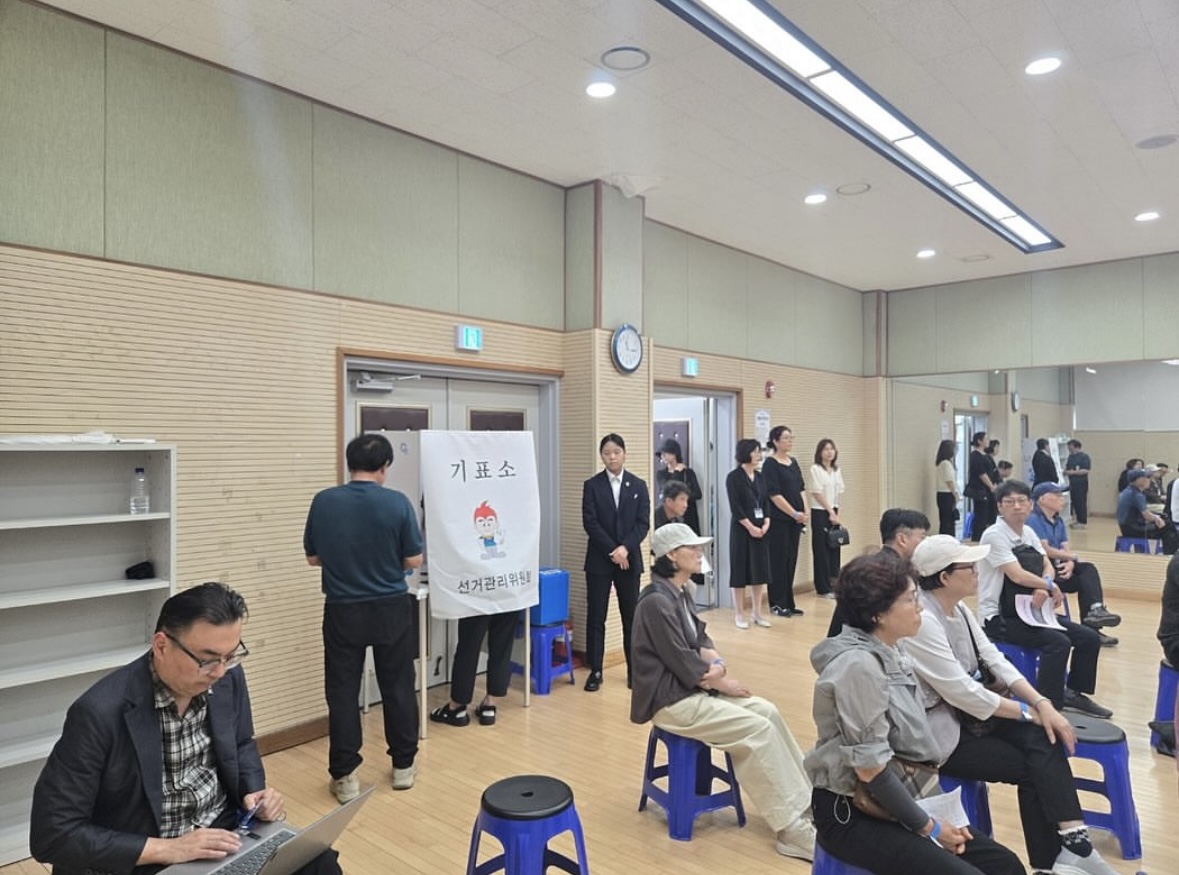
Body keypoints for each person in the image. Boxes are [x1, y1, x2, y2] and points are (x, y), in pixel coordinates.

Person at [30, 583, 342, 875]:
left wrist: (253, 793)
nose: (220, 672)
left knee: (319, 862)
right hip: (148, 851)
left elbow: (241, 743)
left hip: (222, 833)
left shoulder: (227, 677)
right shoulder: (99, 713)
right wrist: (170, 849)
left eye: (230, 656)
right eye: (207, 660)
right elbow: (53, 835)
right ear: (161, 645)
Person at [908, 537, 1122, 875]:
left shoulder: (959, 609)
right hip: (943, 734)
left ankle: (1073, 844)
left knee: (1045, 735)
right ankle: (1061, 859)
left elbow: (993, 659)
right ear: (945, 577)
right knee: (1035, 764)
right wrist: (1027, 711)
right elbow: (962, 691)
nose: (977, 571)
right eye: (968, 566)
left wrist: (1041, 703)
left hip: (971, 717)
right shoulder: (923, 621)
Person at [805, 551, 1024, 875]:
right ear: (878, 614)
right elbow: (870, 770)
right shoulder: (859, 666)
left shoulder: (891, 647)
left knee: (1005, 865)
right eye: (910, 599)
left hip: (899, 792)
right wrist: (931, 827)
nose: (920, 607)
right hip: (854, 810)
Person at [630, 523, 816, 861]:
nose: (700, 552)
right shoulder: (655, 602)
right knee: (756, 729)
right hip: (670, 700)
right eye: (693, 547)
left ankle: (807, 801)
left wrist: (716, 662)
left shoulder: (680, 592)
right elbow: (682, 660)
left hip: (690, 689)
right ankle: (790, 828)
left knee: (767, 711)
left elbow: (700, 639)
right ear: (672, 555)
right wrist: (718, 680)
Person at [304, 433, 424, 800]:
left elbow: (312, 557)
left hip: (342, 608)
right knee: (398, 686)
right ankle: (403, 766)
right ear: (384, 467)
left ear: (349, 463)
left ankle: (345, 777)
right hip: (391, 607)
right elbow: (413, 559)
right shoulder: (397, 503)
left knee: (342, 691)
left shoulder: (324, 501)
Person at [977, 480, 1111, 718]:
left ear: (1030, 505)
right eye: (1009, 502)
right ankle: (1049, 706)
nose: (1016, 506)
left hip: (1032, 611)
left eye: (1022, 501)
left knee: (1088, 637)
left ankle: (1073, 693)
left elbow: (1046, 563)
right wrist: (1047, 585)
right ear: (1000, 507)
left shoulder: (1028, 532)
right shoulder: (993, 535)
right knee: (1058, 642)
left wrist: (1045, 584)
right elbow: (1016, 574)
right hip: (1000, 617)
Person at [581, 432, 650, 692]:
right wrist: (613, 550)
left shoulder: (638, 485)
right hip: (600, 559)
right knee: (596, 616)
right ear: (601, 456)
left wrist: (625, 548)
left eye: (616, 452)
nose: (612, 457)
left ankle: (634, 670)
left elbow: (643, 523)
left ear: (624, 454)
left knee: (630, 616)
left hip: (628, 560)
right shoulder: (592, 485)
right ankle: (596, 671)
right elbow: (590, 522)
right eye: (607, 453)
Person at [1026, 482, 1120, 645]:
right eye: (1056, 495)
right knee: (1083, 573)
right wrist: (1073, 557)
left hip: (1059, 568)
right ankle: (1092, 621)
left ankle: (1095, 615)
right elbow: (1046, 550)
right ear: (1041, 499)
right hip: (1042, 573)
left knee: (1087, 572)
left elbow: (1065, 547)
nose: (1061, 499)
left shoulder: (1058, 521)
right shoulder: (1033, 520)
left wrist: (1070, 562)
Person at [826, 508, 930, 637]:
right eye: (922, 537)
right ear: (902, 539)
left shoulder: (874, 566)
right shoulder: (890, 575)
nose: (926, 544)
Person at [429, 607, 522, 728]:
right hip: (509, 597)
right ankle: (490, 705)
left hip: (476, 599)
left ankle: (456, 708)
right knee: (502, 647)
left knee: (468, 646)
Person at [726, 437, 773, 628]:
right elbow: (735, 506)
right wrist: (750, 527)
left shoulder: (760, 477)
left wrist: (766, 522)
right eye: (755, 451)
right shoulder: (733, 477)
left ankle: (757, 612)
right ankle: (739, 613)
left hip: (761, 529)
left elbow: (766, 502)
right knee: (739, 570)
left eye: (759, 451)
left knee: (759, 571)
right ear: (745, 453)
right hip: (742, 529)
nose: (758, 455)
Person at [762, 425, 808, 617]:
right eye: (786, 438)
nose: (790, 441)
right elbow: (774, 494)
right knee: (778, 561)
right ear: (775, 441)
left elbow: (801, 488)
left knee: (790, 560)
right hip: (780, 520)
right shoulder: (770, 464)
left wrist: (805, 511)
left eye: (791, 437)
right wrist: (794, 513)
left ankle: (788, 602)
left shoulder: (793, 462)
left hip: (795, 522)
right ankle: (777, 603)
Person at [809, 438, 845, 599]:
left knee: (835, 548)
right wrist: (830, 512)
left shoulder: (837, 470)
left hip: (834, 511)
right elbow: (816, 492)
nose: (829, 452)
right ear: (820, 452)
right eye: (826, 449)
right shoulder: (815, 469)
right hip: (820, 511)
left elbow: (839, 494)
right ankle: (823, 588)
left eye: (832, 449)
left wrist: (838, 514)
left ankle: (834, 584)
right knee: (821, 550)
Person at [655, 438, 702, 534]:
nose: (663, 456)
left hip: (688, 515)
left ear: (674, 453)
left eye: (665, 453)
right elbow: (667, 489)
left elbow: (698, 494)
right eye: (661, 454)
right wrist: (676, 472)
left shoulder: (688, 472)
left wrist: (683, 498)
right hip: (670, 515)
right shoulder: (661, 474)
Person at [1116, 468, 1166, 540]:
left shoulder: (1128, 490)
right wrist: (1157, 519)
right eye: (1148, 477)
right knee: (1167, 528)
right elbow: (1147, 516)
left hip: (1125, 527)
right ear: (1140, 480)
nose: (1149, 480)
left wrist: (1155, 517)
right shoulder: (1136, 495)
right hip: (1133, 529)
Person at [966, 432, 997, 541]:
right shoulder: (975, 456)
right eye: (986, 439)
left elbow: (994, 471)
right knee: (981, 515)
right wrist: (991, 486)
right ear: (979, 441)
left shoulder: (987, 456)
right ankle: (977, 538)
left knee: (991, 515)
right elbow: (981, 473)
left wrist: (995, 484)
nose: (988, 441)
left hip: (990, 490)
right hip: (980, 490)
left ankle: (988, 538)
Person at [936, 439, 960, 536]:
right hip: (946, 494)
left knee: (947, 519)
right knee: (947, 520)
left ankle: (947, 538)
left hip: (944, 494)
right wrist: (955, 494)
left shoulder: (943, 463)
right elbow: (949, 481)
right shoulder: (946, 463)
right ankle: (947, 539)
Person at [1063, 440, 1090, 528]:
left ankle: (1082, 521)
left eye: (1071, 449)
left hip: (1081, 483)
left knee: (1080, 501)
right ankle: (1077, 519)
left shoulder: (1084, 457)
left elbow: (1086, 470)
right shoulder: (1070, 457)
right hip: (1072, 483)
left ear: (1077, 447)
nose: (1070, 451)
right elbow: (1068, 468)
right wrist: (1065, 472)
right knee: (1074, 502)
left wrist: (1073, 472)